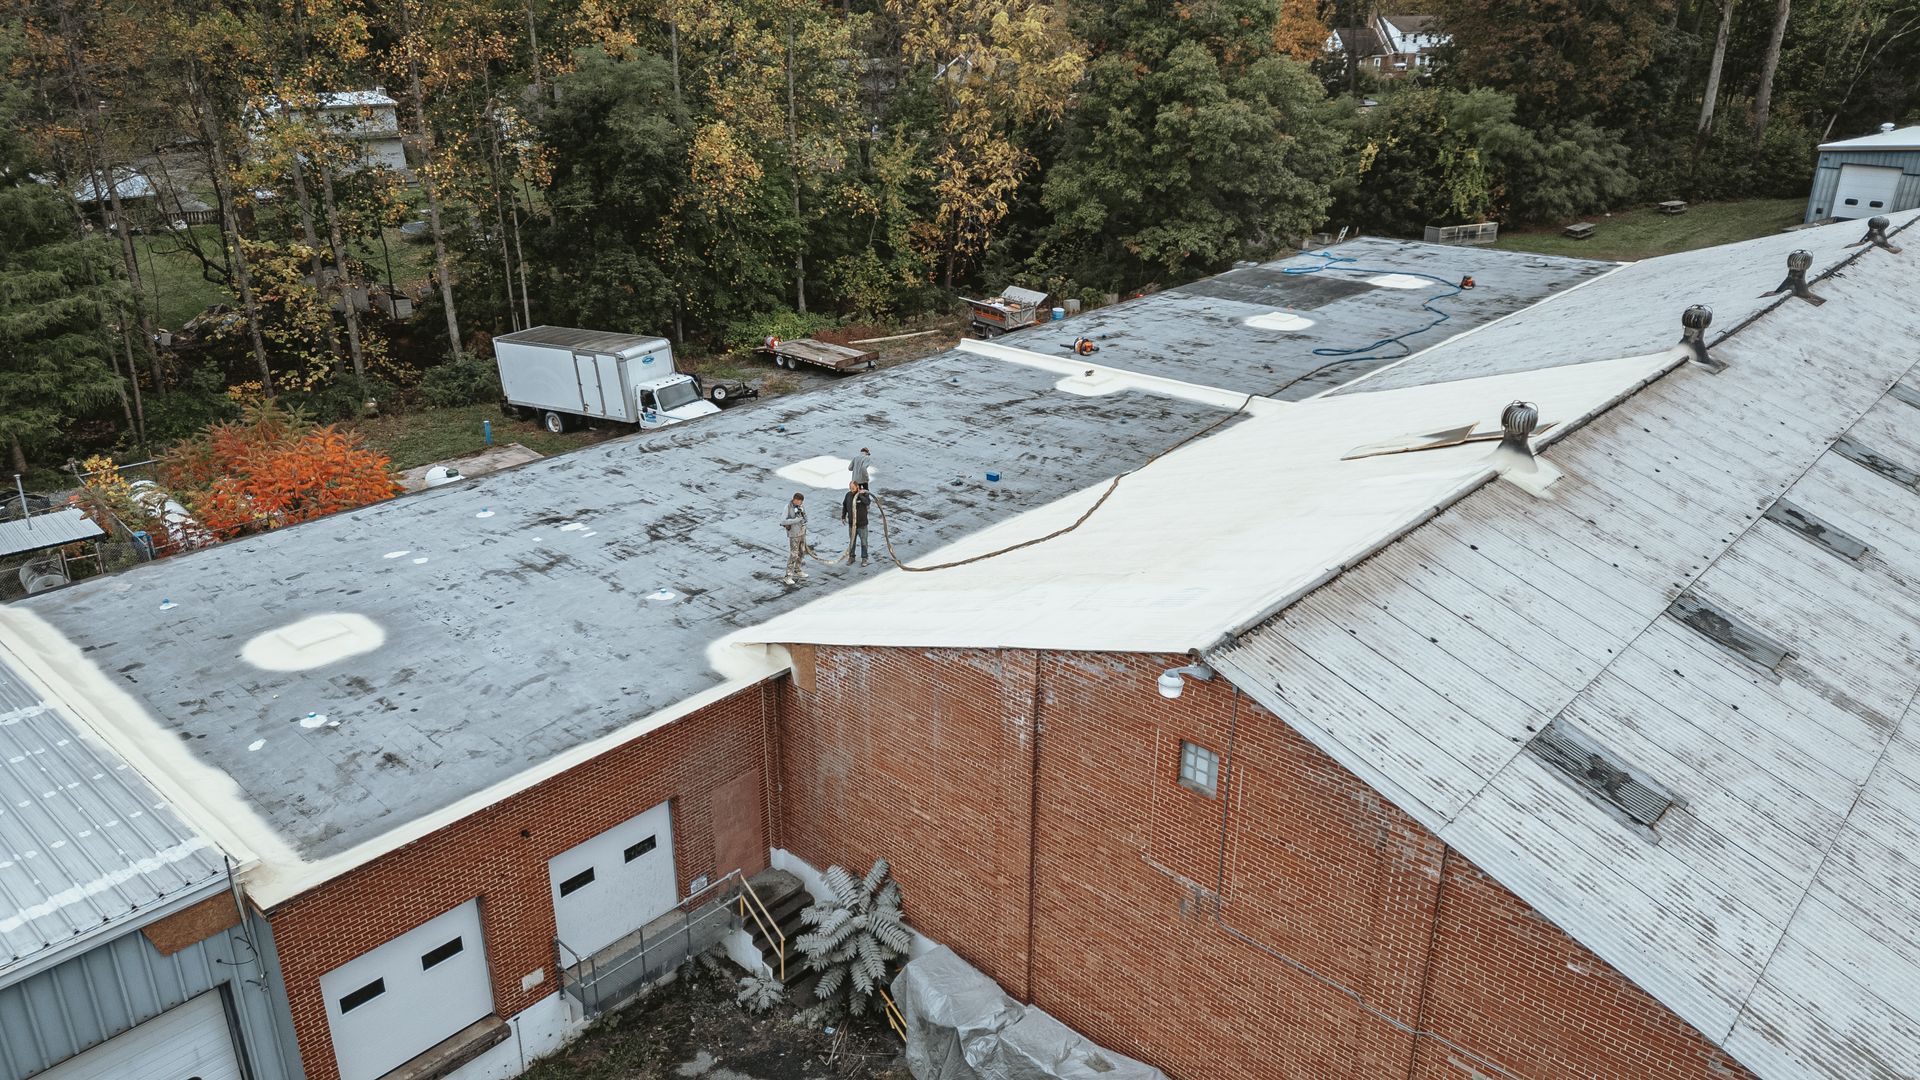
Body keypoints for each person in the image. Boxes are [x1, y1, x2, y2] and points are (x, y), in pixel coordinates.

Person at [780, 493, 810, 586]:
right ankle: (788, 576)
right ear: (795, 499)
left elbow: (805, 518)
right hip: (794, 534)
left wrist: (804, 518)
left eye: (802, 502)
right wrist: (796, 520)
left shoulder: (801, 506)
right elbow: (783, 521)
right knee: (794, 554)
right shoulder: (788, 507)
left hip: (802, 532)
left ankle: (798, 570)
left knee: (801, 552)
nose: (801, 503)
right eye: (800, 501)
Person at [840, 481, 873, 566]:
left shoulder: (864, 494)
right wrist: (843, 516)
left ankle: (864, 558)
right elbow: (844, 506)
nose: (851, 490)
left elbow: (867, 502)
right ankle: (851, 557)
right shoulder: (848, 495)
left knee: (864, 542)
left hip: (862, 524)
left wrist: (860, 494)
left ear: (857, 487)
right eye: (850, 488)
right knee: (852, 541)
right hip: (852, 524)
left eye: (853, 488)